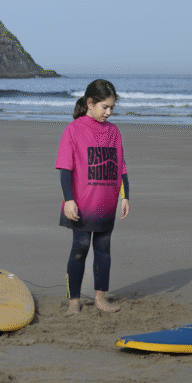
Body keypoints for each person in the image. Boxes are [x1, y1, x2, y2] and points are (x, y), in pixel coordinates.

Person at [56, 78, 130, 317]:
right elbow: (65, 168)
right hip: (82, 204)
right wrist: (69, 200)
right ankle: (74, 302)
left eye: (112, 108)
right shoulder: (73, 130)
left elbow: (121, 168)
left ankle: (100, 298)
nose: (108, 112)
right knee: (80, 249)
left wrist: (125, 197)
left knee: (104, 251)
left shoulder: (114, 132)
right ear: (90, 103)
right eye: (104, 107)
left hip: (106, 205)